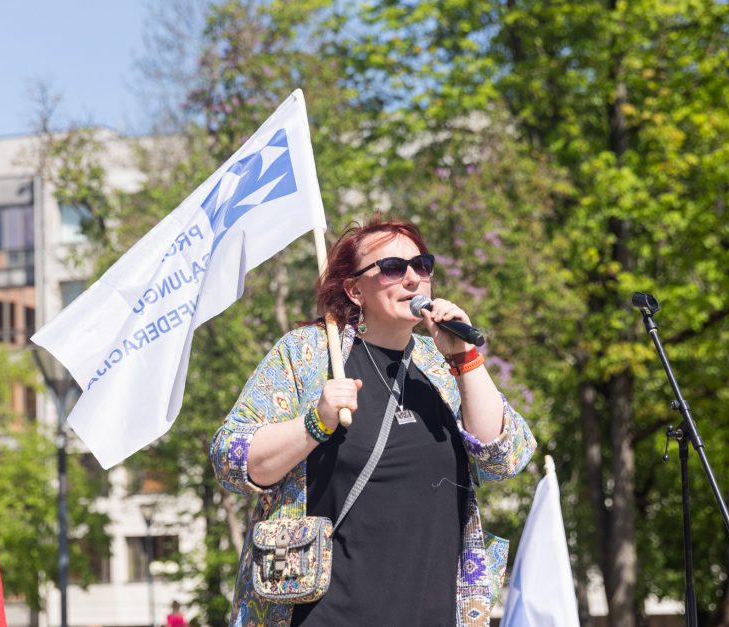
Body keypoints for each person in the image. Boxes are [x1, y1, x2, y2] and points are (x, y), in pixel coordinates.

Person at [210, 216, 536, 626]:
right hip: (325, 614)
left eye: (422, 265)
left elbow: (504, 457)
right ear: (355, 290)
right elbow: (230, 458)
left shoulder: (439, 366)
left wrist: (464, 358)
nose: (413, 279)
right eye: (393, 268)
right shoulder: (309, 353)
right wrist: (315, 422)